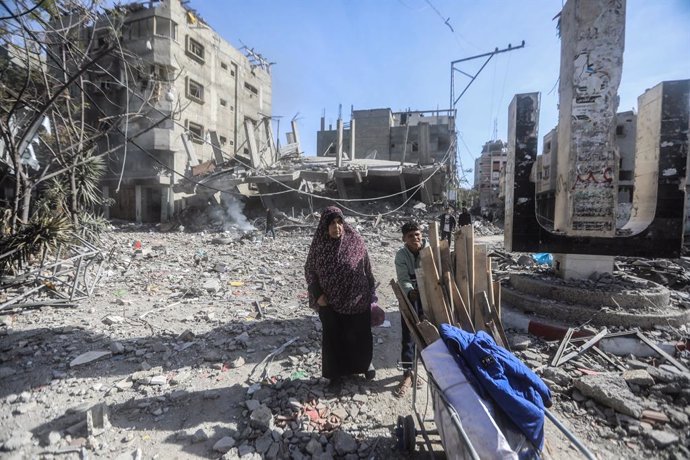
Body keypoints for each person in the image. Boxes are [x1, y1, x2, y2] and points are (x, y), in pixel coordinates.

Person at [304, 206, 377, 389]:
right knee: (334, 338)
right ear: (324, 226)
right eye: (331, 224)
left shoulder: (355, 241)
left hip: (358, 299)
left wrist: (371, 292)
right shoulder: (319, 247)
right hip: (330, 303)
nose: (336, 227)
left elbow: (367, 267)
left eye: (339, 222)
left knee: (360, 336)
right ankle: (336, 375)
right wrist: (318, 295)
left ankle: (364, 365)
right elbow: (309, 271)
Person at [393, 221, 427, 397]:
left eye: (417, 234)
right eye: (410, 236)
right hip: (411, 296)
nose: (415, 238)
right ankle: (407, 372)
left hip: (431, 294)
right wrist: (409, 291)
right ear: (404, 239)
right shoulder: (401, 255)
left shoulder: (429, 249)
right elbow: (403, 278)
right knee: (409, 334)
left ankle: (428, 369)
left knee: (428, 333)